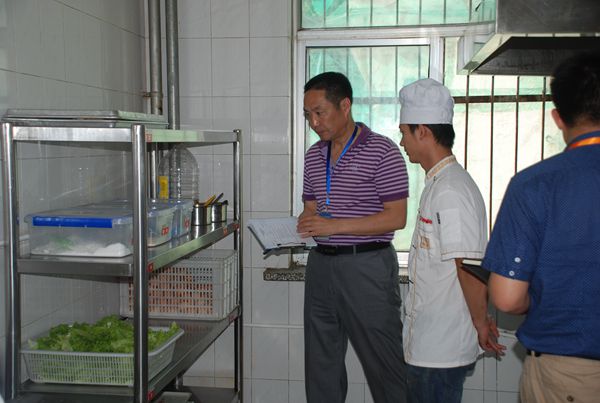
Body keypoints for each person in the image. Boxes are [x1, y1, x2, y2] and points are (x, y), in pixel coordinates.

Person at [482, 51, 600, 402]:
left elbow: (507, 297)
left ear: (557, 117)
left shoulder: (536, 185)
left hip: (571, 374)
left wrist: (547, 297)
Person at [297, 71, 409, 403]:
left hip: (367, 265)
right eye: (308, 115)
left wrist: (334, 226)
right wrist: (304, 222)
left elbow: (397, 217)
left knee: (384, 364)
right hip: (321, 267)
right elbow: (310, 209)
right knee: (321, 363)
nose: (314, 123)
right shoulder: (313, 156)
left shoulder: (383, 151)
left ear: (344, 105)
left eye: (320, 112)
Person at [398, 78, 505, 403]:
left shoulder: (451, 190)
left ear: (423, 132)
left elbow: (468, 267)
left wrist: (480, 322)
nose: (401, 141)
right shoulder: (439, 183)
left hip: (440, 350)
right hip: (429, 344)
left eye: (404, 132)